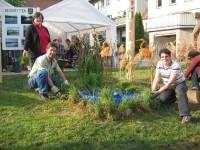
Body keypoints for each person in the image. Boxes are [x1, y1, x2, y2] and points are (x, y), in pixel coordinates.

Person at [151, 48, 191, 124]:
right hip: (168, 85)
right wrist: (153, 91)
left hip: (179, 84)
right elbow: (157, 78)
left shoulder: (175, 65)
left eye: (166, 56)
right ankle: (173, 99)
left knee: (180, 91)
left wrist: (158, 91)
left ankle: (186, 115)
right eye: (162, 57)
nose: (165, 58)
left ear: (170, 57)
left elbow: (170, 82)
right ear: (160, 58)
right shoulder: (159, 64)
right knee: (163, 99)